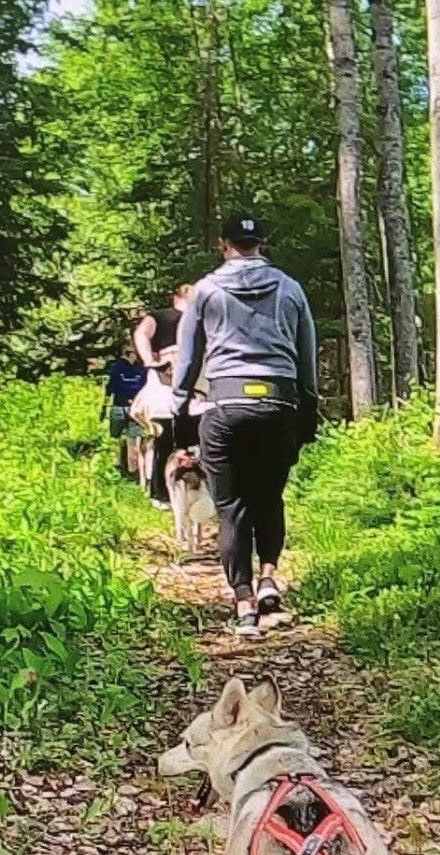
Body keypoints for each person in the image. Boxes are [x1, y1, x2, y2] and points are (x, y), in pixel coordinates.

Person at [171, 213, 318, 637]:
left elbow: (187, 356)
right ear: (261, 244)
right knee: (269, 497)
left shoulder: (206, 290)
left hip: (226, 405)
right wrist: (307, 404)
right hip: (277, 403)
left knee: (232, 507)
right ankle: (269, 575)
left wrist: (179, 405)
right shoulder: (290, 288)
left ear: (224, 244)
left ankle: (243, 603)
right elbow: (306, 354)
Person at [133, 285, 198, 508]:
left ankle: (162, 494)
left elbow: (141, 333)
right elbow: (141, 334)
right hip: (188, 391)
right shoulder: (197, 320)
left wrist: (149, 360)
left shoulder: (159, 317)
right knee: (186, 440)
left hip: (167, 393)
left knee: (164, 439)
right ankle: (179, 493)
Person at [104, 343, 147, 476]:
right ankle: (123, 467)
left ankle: (130, 470)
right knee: (122, 438)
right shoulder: (139, 369)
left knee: (132, 439)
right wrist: (104, 406)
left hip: (132, 408)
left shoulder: (118, 368)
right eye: (134, 353)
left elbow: (109, 388)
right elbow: (110, 388)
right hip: (123, 407)